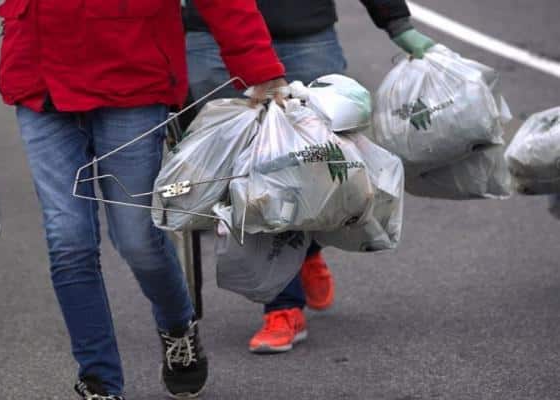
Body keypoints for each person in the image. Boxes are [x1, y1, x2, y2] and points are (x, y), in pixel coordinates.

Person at [0, 1, 286, 398]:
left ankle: (178, 326)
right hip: (40, 83)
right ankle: (99, 380)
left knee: (137, 239)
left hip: (133, 74)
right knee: (69, 241)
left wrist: (258, 67)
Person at [184, 0, 436, 354]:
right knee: (246, 178)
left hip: (302, 31)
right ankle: (284, 304)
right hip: (213, 33)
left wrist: (396, 21)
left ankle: (304, 254)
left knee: (313, 168)